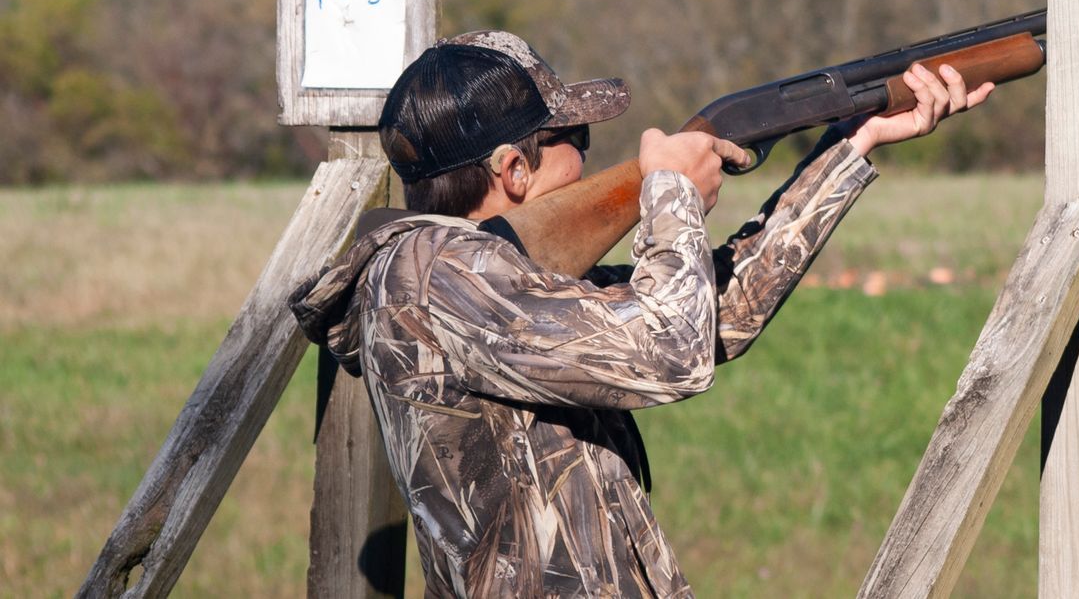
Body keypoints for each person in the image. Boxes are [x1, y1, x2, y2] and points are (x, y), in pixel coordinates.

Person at [290, 29, 989, 598]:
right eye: (578, 144)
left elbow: (714, 315)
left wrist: (850, 143)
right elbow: (669, 354)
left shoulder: (503, 281)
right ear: (512, 170)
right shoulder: (433, 275)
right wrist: (668, 195)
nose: (594, 159)